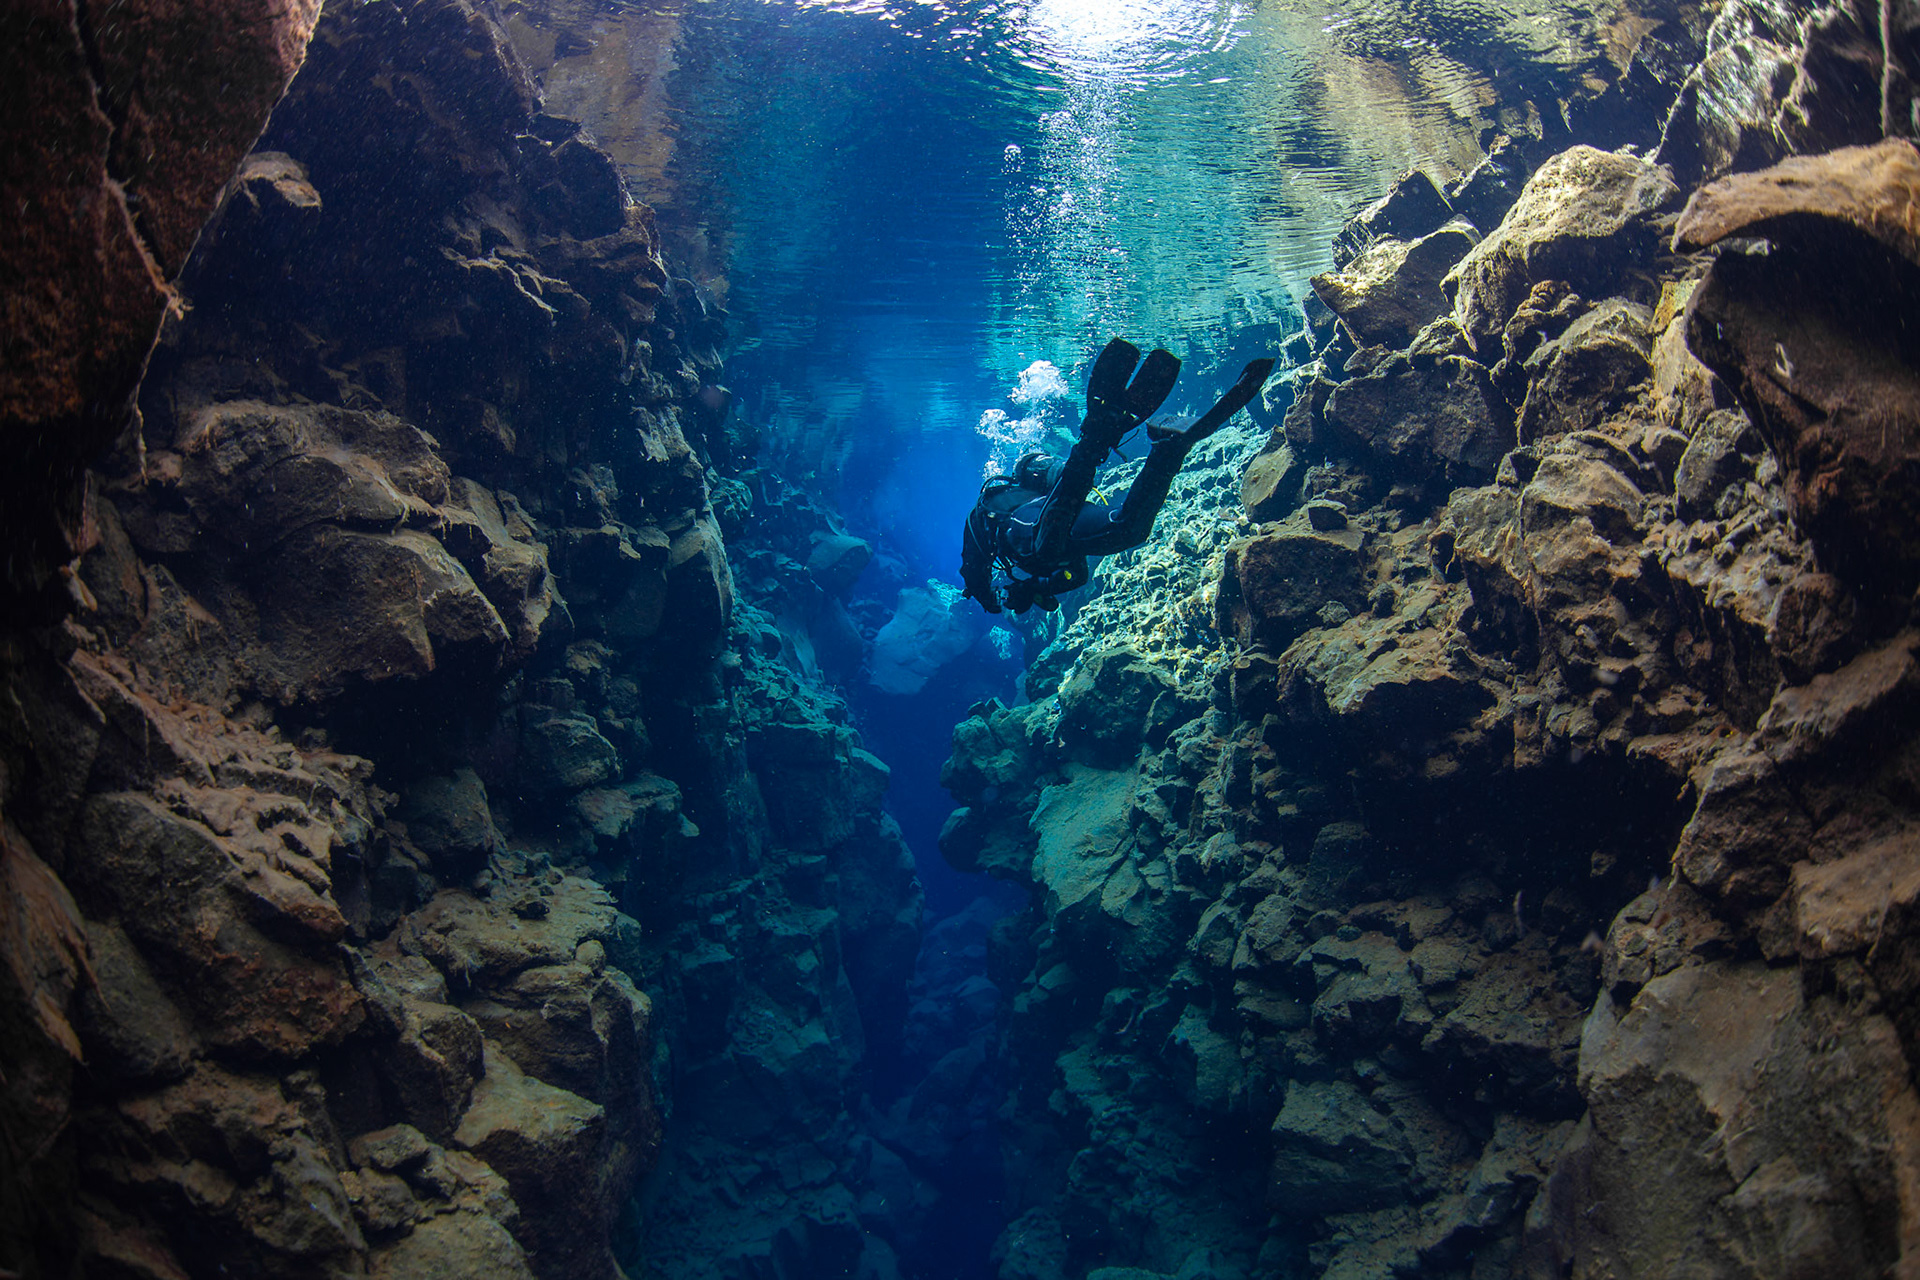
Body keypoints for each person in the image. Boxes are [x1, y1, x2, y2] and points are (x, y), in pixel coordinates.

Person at [960, 337, 1275, 614]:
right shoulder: (1025, 508)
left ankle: (1095, 437)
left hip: (1035, 523)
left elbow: (973, 573)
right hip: (1057, 516)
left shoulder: (980, 517)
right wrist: (1034, 588)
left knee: (1046, 547)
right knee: (1128, 531)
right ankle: (1168, 448)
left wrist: (989, 600)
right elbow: (1077, 575)